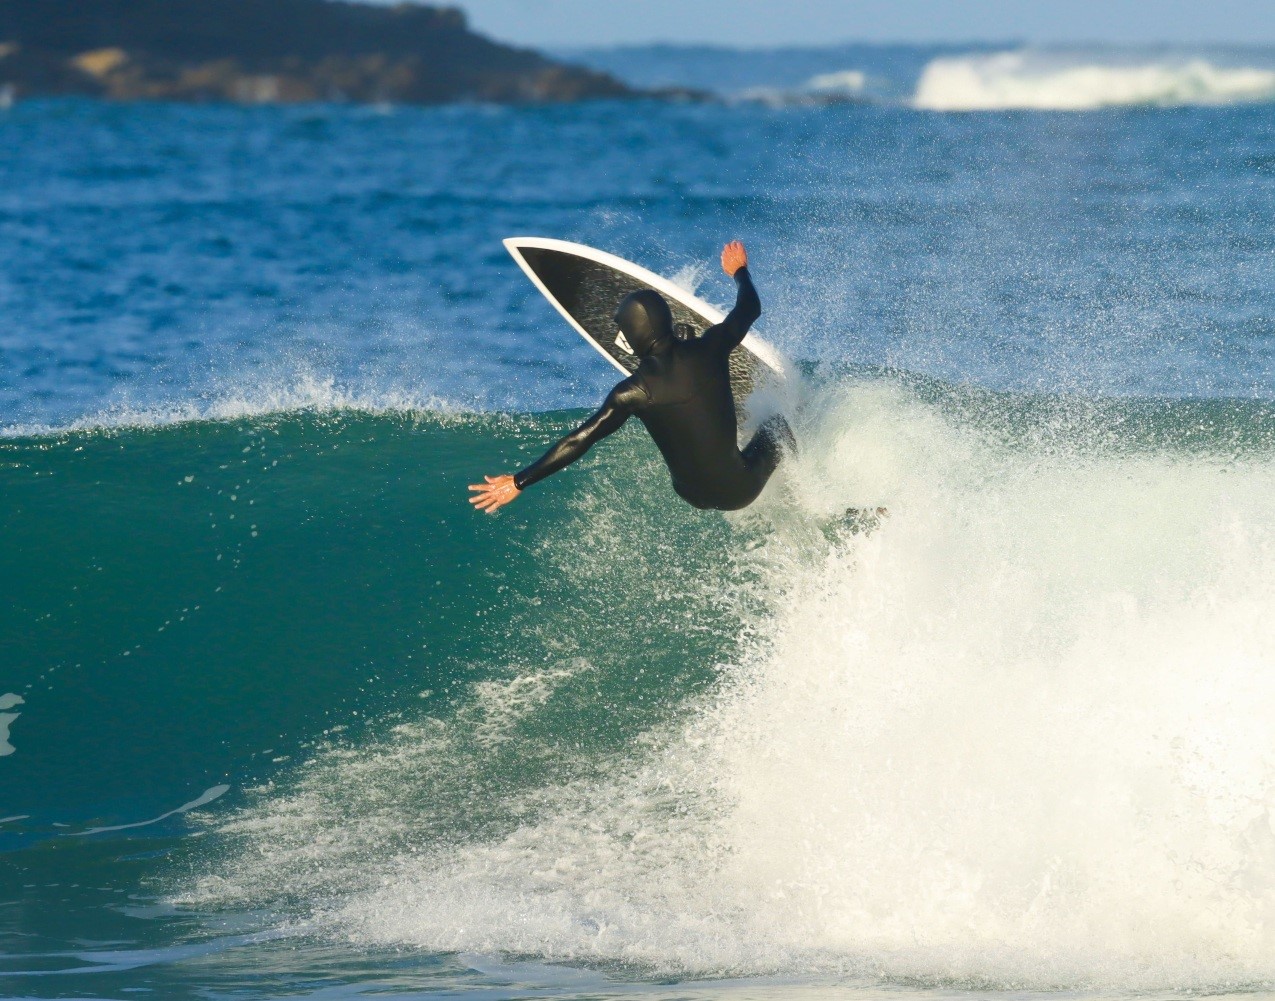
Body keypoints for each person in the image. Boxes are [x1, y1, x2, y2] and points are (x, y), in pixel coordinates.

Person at [469, 240, 794, 515]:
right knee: (779, 426)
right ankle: (805, 493)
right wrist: (739, 270)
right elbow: (750, 307)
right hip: (740, 489)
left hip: (692, 495)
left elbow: (579, 439)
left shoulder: (632, 392)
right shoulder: (712, 347)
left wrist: (518, 481)